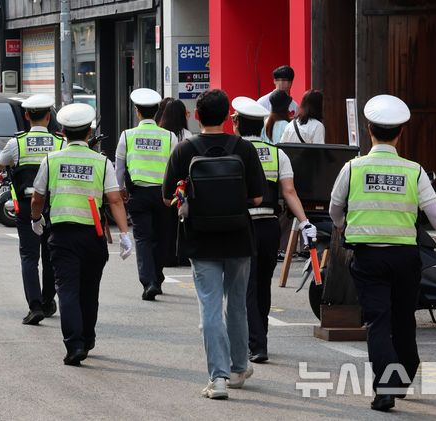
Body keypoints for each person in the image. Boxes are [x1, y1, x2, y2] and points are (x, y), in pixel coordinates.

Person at [329, 94, 436, 411]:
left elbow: (335, 207)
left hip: (368, 258)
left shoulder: (353, 168)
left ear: (369, 129)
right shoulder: (414, 171)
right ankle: (401, 377)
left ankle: (386, 389)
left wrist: (343, 225)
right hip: (405, 258)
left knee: (377, 322)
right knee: (403, 319)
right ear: (401, 132)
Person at [162, 89, 265, 399]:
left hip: (200, 238)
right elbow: (258, 197)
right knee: (237, 304)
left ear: (196, 115)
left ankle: (217, 379)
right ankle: (237, 369)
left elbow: (168, 198)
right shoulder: (243, 149)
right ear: (226, 117)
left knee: (209, 305)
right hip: (237, 236)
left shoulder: (184, 150)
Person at [30, 103, 133, 366]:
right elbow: (115, 200)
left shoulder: (51, 160)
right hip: (93, 236)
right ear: (90, 132)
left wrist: (36, 219)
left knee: (67, 290)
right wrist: (124, 233)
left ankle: (75, 344)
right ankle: (87, 338)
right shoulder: (101, 162)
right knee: (89, 290)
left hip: (62, 236)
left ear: (63, 132)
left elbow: (38, 197)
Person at [230, 97, 316, 364]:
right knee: (262, 284)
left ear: (236, 123)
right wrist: (305, 223)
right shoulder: (278, 153)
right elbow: (289, 192)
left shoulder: (233, 151)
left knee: (246, 286)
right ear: (261, 125)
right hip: (269, 226)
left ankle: (257, 344)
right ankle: (260, 336)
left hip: (242, 225)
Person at [0, 94, 64, 325]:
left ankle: (34, 306)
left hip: (26, 206)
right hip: (53, 206)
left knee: (29, 255)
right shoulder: (60, 142)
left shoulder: (17, 142)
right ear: (49, 116)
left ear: (26, 116)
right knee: (50, 254)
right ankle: (47, 301)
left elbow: (1, 163)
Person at [116, 88, 178, 301]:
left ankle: (149, 281)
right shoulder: (170, 137)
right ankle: (157, 278)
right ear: (158, 113)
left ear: (137, 111)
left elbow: (120, 168)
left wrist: (120, 191)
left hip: (138, 194)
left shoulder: (127, 135)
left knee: (142, 238)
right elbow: (175, 168)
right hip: (164, 196)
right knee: (162, 238)